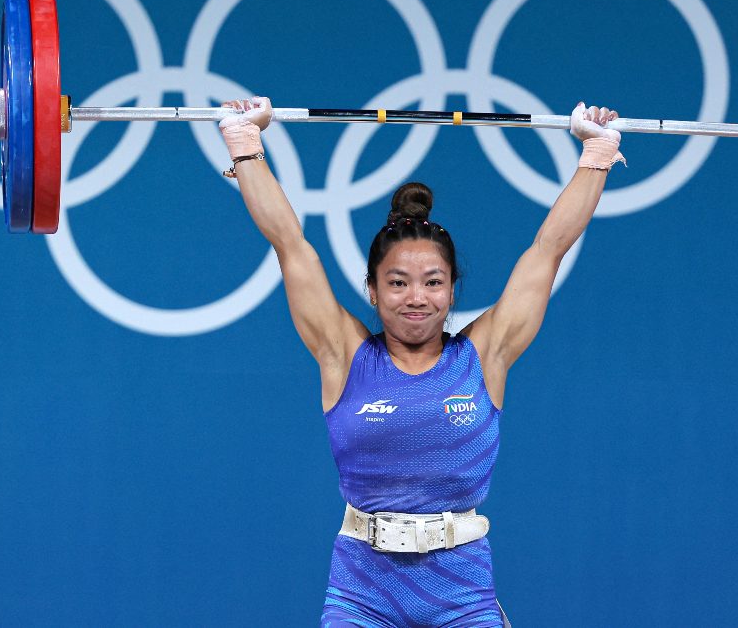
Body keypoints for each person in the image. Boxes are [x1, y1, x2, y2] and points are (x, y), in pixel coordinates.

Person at [218, 96, 623, 628]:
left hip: (463, 594)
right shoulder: (343, 354)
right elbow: (288, 243)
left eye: (433, 283)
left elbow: (548, 250)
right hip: (362, 594)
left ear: (452, 290)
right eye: (397, 283)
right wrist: (245, 143)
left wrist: (596, 153)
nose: (416, 297)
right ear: (373, 290)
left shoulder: (486, 354)